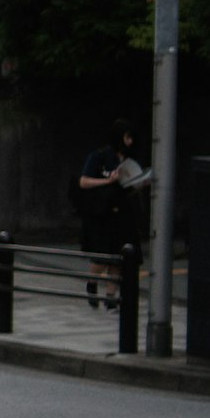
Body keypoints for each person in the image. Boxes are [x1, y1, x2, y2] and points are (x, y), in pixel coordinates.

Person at [75, 126, 149, 304]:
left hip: (123, 212)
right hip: (102, 213)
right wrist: (108, 180)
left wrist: (140, 184)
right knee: (102, 256)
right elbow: (84, 182)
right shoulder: (99, 156)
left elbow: (129, 187)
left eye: (131, 138)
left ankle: (111, 297)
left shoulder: (130, 160)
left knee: (119, 258)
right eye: (126, 138)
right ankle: (92, 282)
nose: (129, 142)